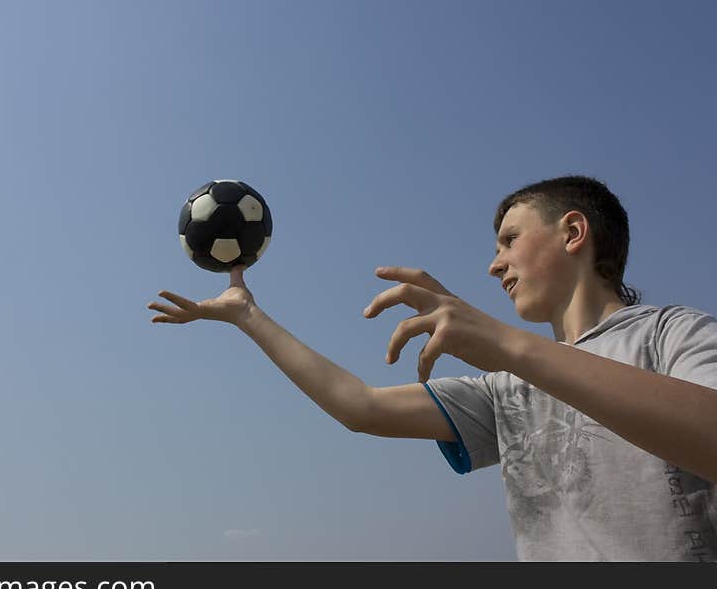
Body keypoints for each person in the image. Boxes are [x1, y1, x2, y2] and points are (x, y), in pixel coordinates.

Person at [147, 175, 717, 561]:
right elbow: (360, 407)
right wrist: (251, 317)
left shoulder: (673, 335)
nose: (495, 265)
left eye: (510, 240)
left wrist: (507, 346)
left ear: (573, 233)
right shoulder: (506, 390)